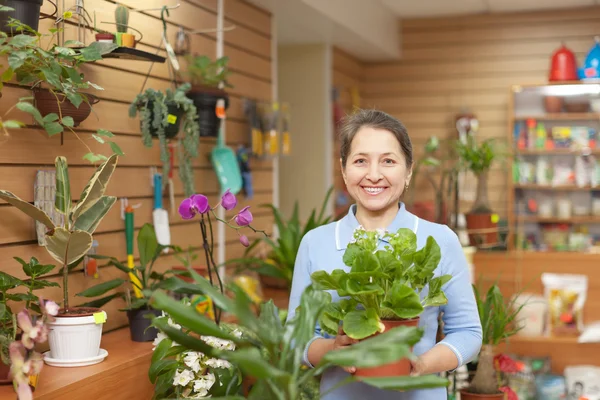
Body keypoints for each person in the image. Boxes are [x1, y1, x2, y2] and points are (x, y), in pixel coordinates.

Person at [286, 109, 483, 399]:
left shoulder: (440, 240)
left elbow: (468, 333)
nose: (374, 175)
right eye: (360, 161)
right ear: (343, 169)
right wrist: (333, 350)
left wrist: (421, 364)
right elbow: (294, 338)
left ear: (408, 170)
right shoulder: (315, 242)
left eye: (388, 161)